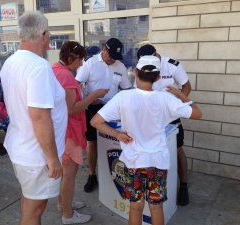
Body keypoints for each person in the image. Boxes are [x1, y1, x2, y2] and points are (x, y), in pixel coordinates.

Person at [90, 55, 202, 225]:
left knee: (135, 207)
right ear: (158, 77)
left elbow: (95, 121)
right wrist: (181, 94)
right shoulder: (167, 99)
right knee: (156, 207)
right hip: (157, 161)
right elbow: (197, 114)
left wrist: (118, 135)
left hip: (134, 161)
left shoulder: (123, 97)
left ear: (135, 72)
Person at [0, 11, 67, 225]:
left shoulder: (11, 61)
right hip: (36, 155)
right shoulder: (39, 67)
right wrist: (53, 158)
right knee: (35, 210)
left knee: (29, 202)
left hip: (21, 145)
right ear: (44, 35)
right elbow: (39, 116)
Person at [52, 41, 108, 224]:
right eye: (80, 60)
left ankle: (63, 203)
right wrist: (93, 96)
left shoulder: (54, 69)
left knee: (64, 173)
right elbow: (72, 109)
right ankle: (68, 215)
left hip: (60, 130)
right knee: (70, 174)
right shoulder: (67, 77)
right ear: (70, 58)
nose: (82, 64)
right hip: (70, 132)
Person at [136, 44, 192, 206]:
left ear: (157, 55)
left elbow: (187, 86)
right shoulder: (142, 68)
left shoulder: (172, 65)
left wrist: (176, 103)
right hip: (151, 117)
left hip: (170, 115)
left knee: (177, 149)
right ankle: (155, 185)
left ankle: (183, 186)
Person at [75, 38, 132, 193]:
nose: (113, 59)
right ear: (104, 50)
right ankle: (92, 175)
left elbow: (126, 89)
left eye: (116, 56)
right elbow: (77, 84)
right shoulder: (90, 64)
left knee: (114, 140)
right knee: (92, 143)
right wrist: (88, 97)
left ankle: (111, 174)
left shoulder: (120, 66)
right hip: (93, 108)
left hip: (113, 110)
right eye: (111, 55)